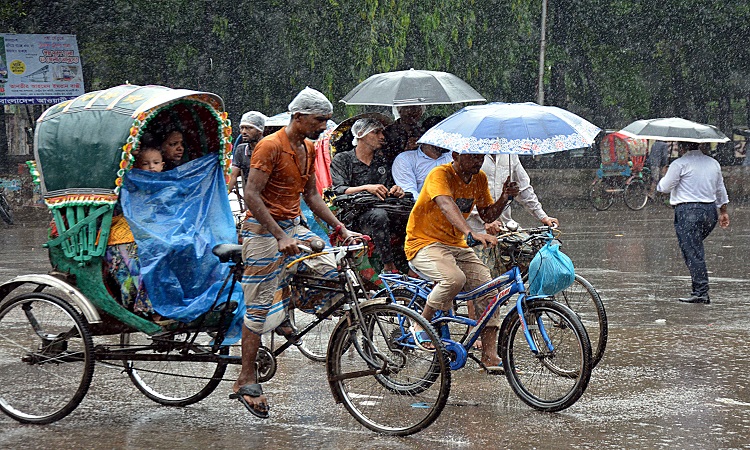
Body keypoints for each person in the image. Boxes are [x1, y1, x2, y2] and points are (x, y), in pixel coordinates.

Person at [233, 87, 355, 418]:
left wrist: (340, 228)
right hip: (262, 231)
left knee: (334, 271)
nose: (324, 127)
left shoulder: (310, 148)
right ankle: (245, 377)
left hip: (293, 227)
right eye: (320, 120)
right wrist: (277, 235)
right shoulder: (270, 146)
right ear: (298, 117)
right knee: (257, 307)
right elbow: (252, 195)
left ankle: (285, 312)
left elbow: (313, 196)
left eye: (327, 120)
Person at [404, 151, 519, 370]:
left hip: (456, 245)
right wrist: (469, 232)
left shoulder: (479, 179)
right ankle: (420, 324)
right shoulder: (440, 174)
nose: (478, 162)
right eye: (472, 157)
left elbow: (487, 215)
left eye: (480, 157)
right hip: (424, 243)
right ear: (456, 155)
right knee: (453, 279)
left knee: (490, 289)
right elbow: (447, 204)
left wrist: (505, 197)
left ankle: (489, 354)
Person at [330, 118, 406, 274]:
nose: (382, 137)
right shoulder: (343, 159)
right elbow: (339, 189)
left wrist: (396, 189)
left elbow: (389, 186)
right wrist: (366, 188)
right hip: (355, 213)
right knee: (379, 216)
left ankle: (409, 262)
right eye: (376, 132)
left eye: (382, 132)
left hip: (382, 206)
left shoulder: (382, 161)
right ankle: (388, 266)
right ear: (360, 134)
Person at [657, 142, 730, 304]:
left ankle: (701, 292)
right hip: (709, 212)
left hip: (688, 212)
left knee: (693, 251)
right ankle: (699, 289)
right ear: (700, 145)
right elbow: (720, 189)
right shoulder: (713, 163)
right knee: (693, 249)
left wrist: (665, 174)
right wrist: (723, 211)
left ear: (681, 148)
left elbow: (664, 187)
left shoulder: (679, 164)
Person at [104, 146, 164, 317]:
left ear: (163, 165)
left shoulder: (165, 184)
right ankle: (145, 307)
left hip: (149, 232)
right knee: (137, 262)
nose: (151, 167)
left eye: (156, 163)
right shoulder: (130, 182)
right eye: (146, 164)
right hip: (122, 232)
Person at [227, 111, 266, 200]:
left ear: (259, 131)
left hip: (272, 199)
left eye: (249, 128)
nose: (244, 132)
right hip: (253, 201)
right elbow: (233, 175)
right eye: (242, 128)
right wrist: (224, 195)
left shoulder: (271, 148)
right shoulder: (241, 150)